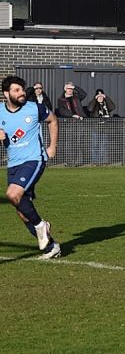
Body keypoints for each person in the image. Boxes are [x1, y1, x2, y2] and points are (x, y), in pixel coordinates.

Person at [1, 75, 61, 258]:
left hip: (34, 159)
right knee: (22, 211)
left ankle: (42, 225)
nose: (21, 94)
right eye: (16, 90)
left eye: (22, 90)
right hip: (13, 163)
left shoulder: (34, 108)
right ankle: (52, 247)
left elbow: (53, 120)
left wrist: (52, 146)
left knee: (12, 194)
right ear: (6, 93)